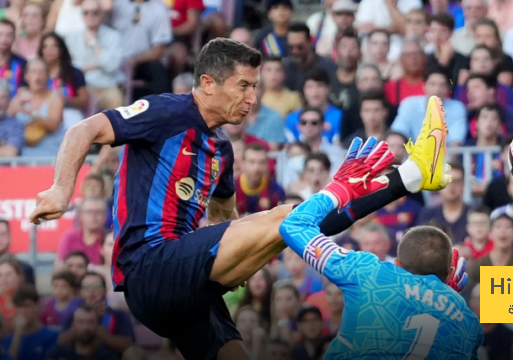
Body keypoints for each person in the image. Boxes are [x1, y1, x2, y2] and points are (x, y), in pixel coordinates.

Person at [30, 37, 460, 360]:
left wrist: (244, 257)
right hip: (150, 265)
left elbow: (228, 220)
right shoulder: (167, 111)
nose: (253, 98)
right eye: (243, 86)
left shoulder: (221, 149)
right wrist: (61, 188)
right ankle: (409, 174)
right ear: (207, 83)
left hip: (189, 289)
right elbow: (81, 130)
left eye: (255, 87)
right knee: (285, 221)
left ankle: (412, 175)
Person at [278, 138, 480, 358]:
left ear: (398, 264)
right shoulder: (469, 324)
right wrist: (445, 297)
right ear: (450, 273)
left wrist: (339, 189)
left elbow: (293, 225)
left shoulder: (369, 273)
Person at [2, 284, 58, 360]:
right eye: (19, 306)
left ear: (37, 306)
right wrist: (18, 333)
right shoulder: (8, 340)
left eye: (27, 306)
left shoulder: (52, 336)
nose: (23, 311)